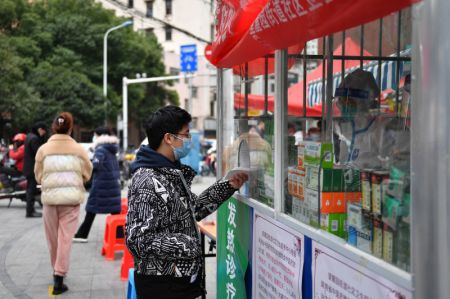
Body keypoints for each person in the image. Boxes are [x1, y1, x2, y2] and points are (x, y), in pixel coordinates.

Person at [125, 105, 247, 299]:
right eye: (186, 134)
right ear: (168, 138)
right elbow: (138, 240)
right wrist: (187, 244)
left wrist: (227, 185)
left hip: (181, 280)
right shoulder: (147, 180)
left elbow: (193, 209)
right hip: (162, 284)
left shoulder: (170, 172)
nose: (189, 140)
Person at [34, 112, 92, 295]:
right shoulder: (78, 149)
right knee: (65, 239)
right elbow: (87, 172)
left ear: (54, 127)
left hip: (50, 200)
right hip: (71, 200)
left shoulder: (43, 149)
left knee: (53, 239)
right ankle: (59, 277)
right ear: (70, 128)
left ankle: (55, 270)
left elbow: (38, 174)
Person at [73, 127, 121, 242]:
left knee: (91, 209)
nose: (94, 137)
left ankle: (82, 235)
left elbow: (96, 165)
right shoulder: (111, 149)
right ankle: (119, 236)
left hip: (101, 185)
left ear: (100, 136)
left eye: (95, 135)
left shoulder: (100, 149)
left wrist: (87, 164)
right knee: (114, 212)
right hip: (113, 185)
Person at [23, 121, 47, 218]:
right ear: (40, 129)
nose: (44, 133)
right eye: (43, 131)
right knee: (31, 190)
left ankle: (30, 210)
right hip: (32, 169)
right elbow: (39, 153)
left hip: (28, 168)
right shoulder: (34, 139)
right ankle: (30, 211)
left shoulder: (29, 136)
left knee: (30, 190)